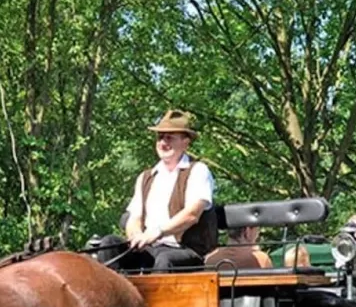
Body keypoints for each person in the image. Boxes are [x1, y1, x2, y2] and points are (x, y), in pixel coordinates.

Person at [116, 109, 217, 271]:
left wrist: (158, 232)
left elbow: (192, 215)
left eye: (169, 137)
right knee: (110, 244)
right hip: (149, 248)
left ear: (186, 142)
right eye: (160, 137)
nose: (163, 142)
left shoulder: (198, 171)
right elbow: (134, 217)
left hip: (185, 250)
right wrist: (135, 235)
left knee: (164, 259)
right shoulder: (145, 177)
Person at [205, 224, 272, 269]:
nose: (258, 234)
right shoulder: (261, 259)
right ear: (247, 231)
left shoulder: (210, 260)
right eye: (257, 229)